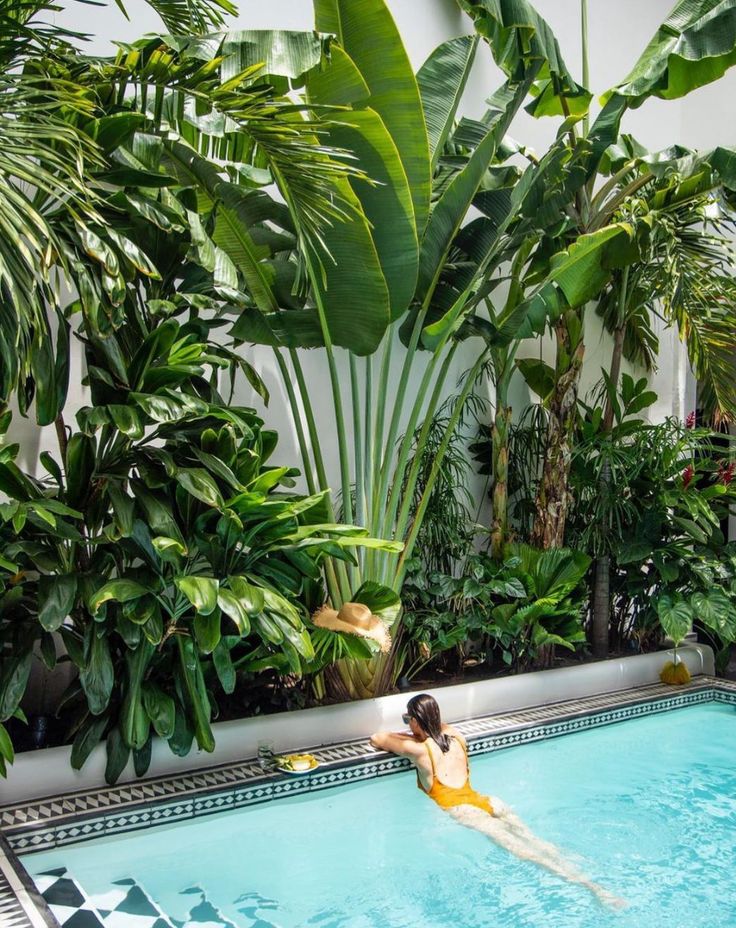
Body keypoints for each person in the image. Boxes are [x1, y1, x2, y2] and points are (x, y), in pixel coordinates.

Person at [370, 693, 625, 908]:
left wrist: (408, 733)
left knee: (522, 851)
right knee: (536, 841)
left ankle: (592, 889)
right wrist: (420, 727)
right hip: (488, 802)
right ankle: (586, 871)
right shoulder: (457, 737)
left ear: (416, 720)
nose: (407, 724)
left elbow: (378, 738)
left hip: (465, 810)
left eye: (408, 719)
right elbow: (439, 728)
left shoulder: (418, 750)